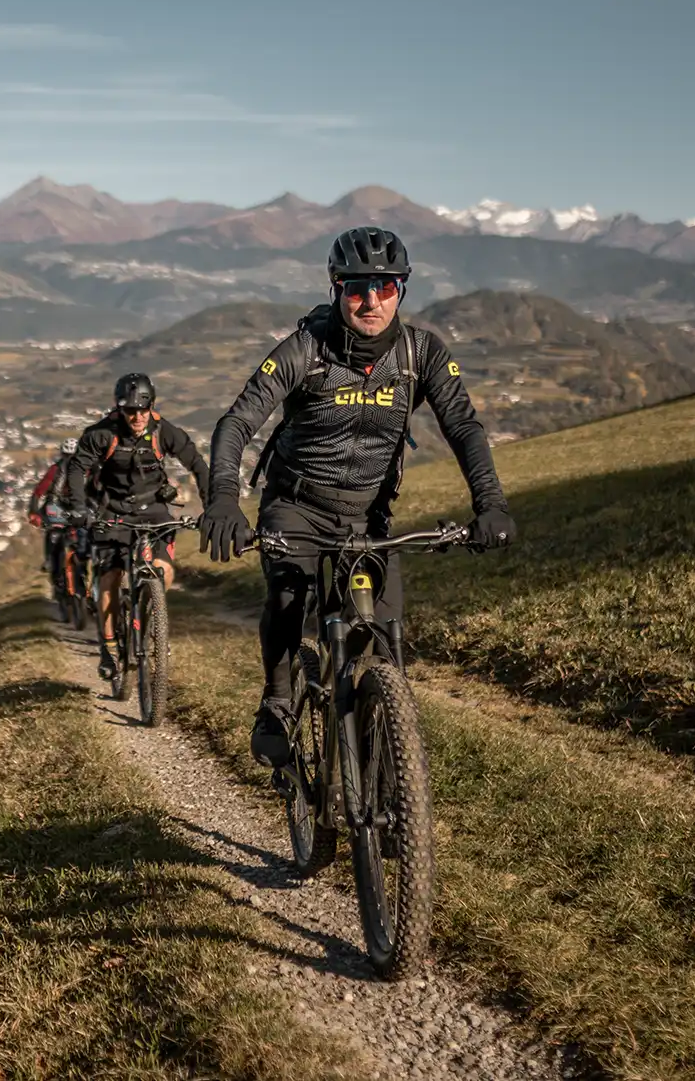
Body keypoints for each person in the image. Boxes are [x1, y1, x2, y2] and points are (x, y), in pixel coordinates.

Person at [197, 226, 516, 766]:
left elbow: (463, 427)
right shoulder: (305, 350)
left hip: (368, 515)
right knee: (288, 599)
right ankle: (277, 699)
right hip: (296, 505)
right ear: (336, 288)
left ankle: (383, 765)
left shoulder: (421, 354)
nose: (371, 301)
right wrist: (224, 498)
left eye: (385, 287)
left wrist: (491, 504)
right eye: (356, 287)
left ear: (401, 290)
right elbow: (237, 423)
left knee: (384, 637)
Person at [66, 373, 210, 680]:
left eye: (143, 409)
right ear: (120, 409)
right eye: (131, 411)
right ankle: (109, 648)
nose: (138, 417)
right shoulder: (101, 434)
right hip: (112, 510)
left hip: (153, 508)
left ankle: (154, 616)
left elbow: (197, 463)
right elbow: (77, 468)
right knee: (110, 576)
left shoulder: (163, 431)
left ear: (151, 406)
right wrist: (78, 507)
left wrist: (213, 505)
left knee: (163, 569)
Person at [27, 438, 81, 599]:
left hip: (79, 506)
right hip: (56, 506)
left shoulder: (88, 471)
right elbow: (38, 492)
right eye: (67, 456)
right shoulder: (55, 470)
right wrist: (34, 512)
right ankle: (50, 561)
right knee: (54, 533)